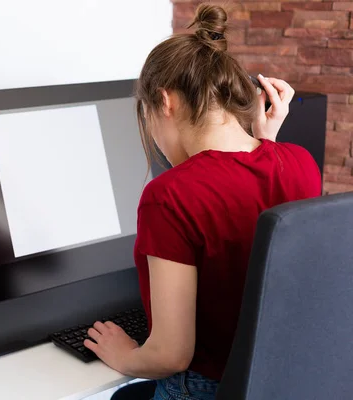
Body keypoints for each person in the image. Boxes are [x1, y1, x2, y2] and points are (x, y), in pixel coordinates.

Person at [82, 4, 322, 400]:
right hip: (279, 383)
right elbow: (258, 227)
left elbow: (172, 355)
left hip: (205, 389)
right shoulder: (298, 163)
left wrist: (124, 355)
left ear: (165, 102)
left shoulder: (169, 196)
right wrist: (267, 143)